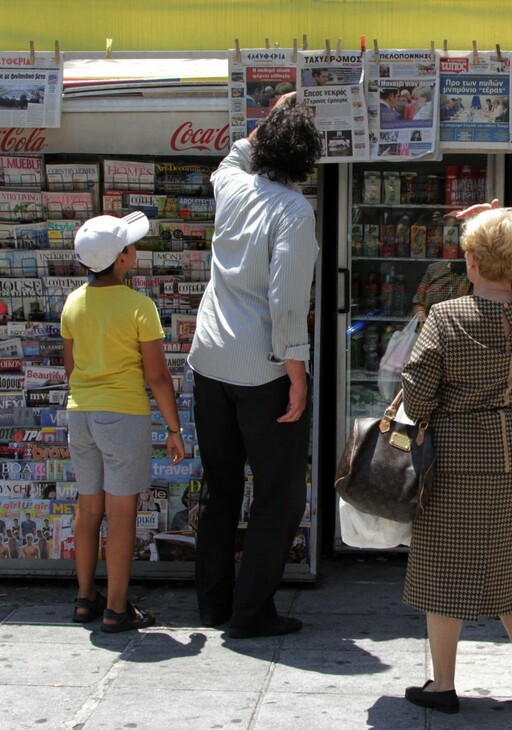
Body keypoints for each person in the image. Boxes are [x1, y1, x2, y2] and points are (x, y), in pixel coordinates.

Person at [402, 201, 512, 714]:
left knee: (444, 569)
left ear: (470, 262)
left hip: (458, 459)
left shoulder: (447, 316)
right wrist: (504, 216)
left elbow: (418, 395)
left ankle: (442, 685)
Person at [188, 93, 322, 638]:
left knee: (220, 489)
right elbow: (287, 300)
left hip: (209, 360)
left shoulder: (233, 187)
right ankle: (250, 612)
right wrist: (297, 373)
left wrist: (268, 119)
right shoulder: (294, 210)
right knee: (278, 493)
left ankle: (211, 604)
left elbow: (231, 158)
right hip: (263, 370)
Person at [62, 211, 185, 632]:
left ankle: (84, 599)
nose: (135, 251)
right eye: (131, 246)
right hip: (123, 414)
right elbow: (157, 377)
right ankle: (116, 607)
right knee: (122, 513)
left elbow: (70, 367)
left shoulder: (72, 302)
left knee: (88, 507)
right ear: (122, 259)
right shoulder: (139, 306)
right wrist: (174, 429)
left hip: (80, 414)